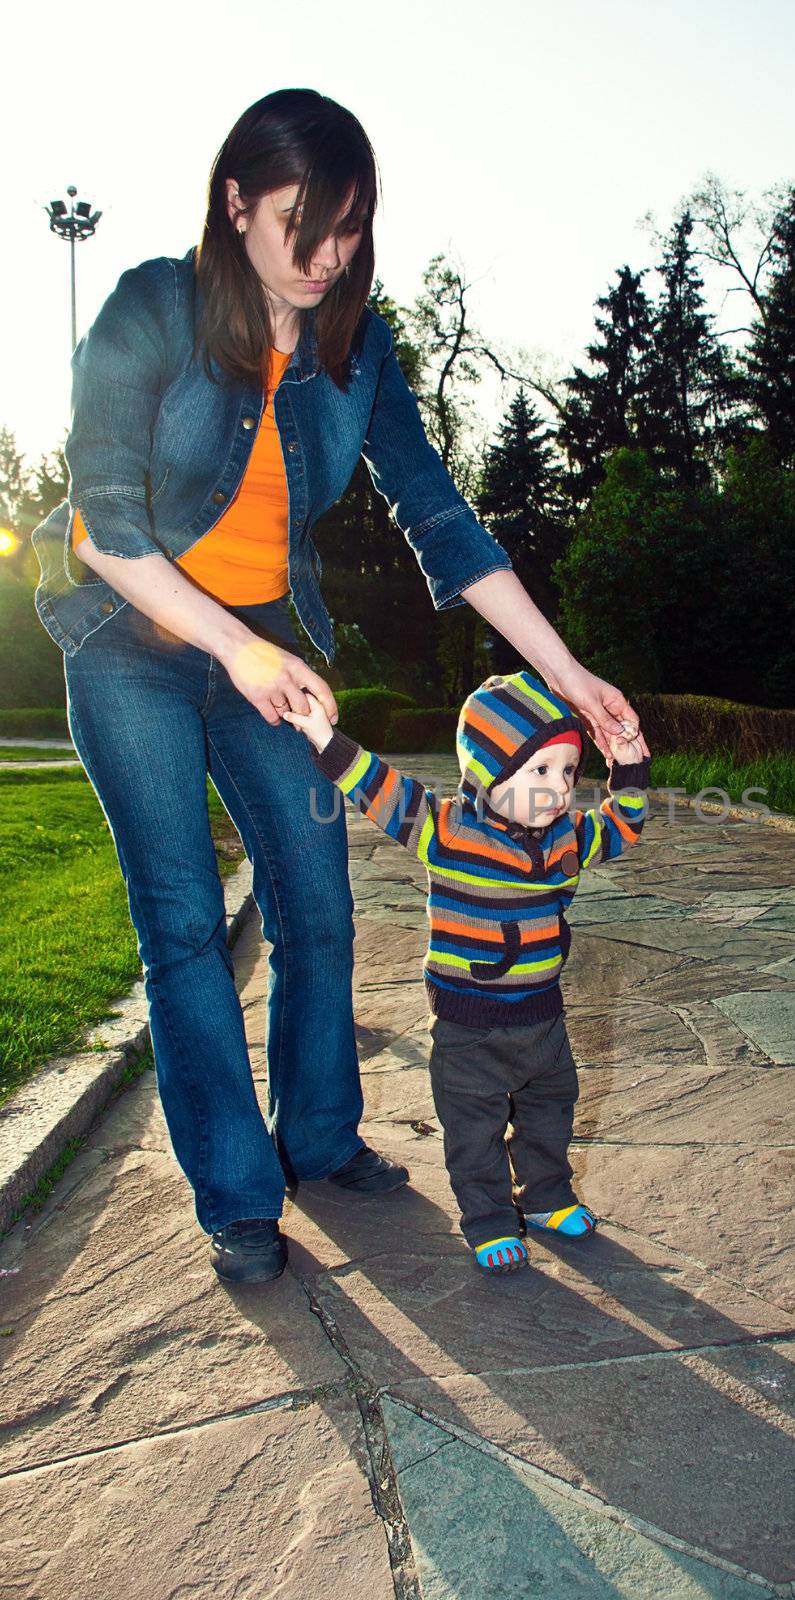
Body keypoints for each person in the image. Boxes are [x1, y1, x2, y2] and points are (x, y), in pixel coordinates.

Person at [31, 88, 647, 1285]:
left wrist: (569, 675)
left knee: (317, 902)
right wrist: (237, 649)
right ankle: (239, 1195)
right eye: (301, 226)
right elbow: (105, 526)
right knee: (184, 929)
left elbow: (440, 518)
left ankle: (318, 1136)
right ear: (235, 202)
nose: (325, 260)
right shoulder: (152, 307)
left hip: (264, 649)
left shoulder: (355, 350)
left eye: (349, 231)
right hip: (130, 641)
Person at [284, 669, 650, 1273]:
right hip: (468, 1024)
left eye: (567, 771)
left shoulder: (565, 837)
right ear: (488, 771)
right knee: (473, 1125)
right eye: (538, 770)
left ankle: (545, 1195)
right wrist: (328, 740)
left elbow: (623, 825)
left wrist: (630, 768)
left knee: (551, 1107)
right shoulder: (446, 829)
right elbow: (380, 789)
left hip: (543, 1015)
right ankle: (486, 1218)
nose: (558, 789)